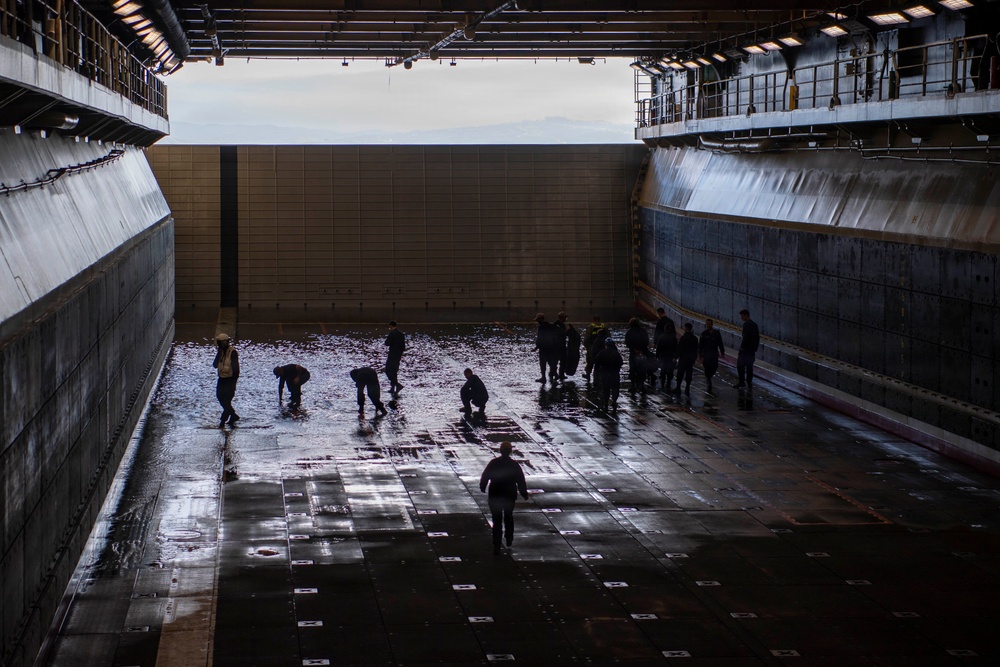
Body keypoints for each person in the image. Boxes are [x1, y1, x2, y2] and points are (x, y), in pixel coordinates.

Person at [479, 441, 528, 555]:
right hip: (509, 495)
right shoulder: (514, 465)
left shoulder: (494, 463)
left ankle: (497, 543)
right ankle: (509, 537)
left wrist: (483, 486)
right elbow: (520, 480)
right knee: (508, 517)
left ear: (500, 451)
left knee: (497, 520)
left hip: (495, 494)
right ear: (510, 451)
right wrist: (524, 493)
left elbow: (485, 475)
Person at [212, 333, 240, 427]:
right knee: (220, 397)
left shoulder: (232, 352)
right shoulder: (220, 352)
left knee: (227, 400)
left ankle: (222, 422)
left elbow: (236, 370)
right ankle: (233, 416)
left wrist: (233, 384)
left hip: (230, 380)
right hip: (221, 379)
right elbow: (215, 365)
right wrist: (219, 354)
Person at [593, 338, 624, 412]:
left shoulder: (601, 353)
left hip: (605, 374)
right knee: (615, 388)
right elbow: (620, 362)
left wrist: (596, 377)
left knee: (605, 389)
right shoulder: (616, 354)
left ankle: (606, 402)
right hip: (614, 374)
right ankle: (614, 401)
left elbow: (597, 365)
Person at [624, 317, 651, 394]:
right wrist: (641, 350)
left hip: (633, 353)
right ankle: (642, 385)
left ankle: (633, 386)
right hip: (643, 352)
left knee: (633, 369)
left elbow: (627, 342)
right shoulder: (643, 332)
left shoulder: (629, 332)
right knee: (642, 369)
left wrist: (634, 349)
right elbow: (646, 341)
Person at [698, 319, 725, 394]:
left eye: (710, 324)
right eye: (707, 324)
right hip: (706, 354)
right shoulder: (704, 334)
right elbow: (700, 345)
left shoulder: (716, 333)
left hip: (714, 353)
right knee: (706, 366)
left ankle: (709, 376)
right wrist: (700, 354)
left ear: (712, 324)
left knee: (714, 366)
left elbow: (720, 343)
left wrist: (722, 352)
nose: (708, 325)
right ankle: (708, 379)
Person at [737, 309, 760, 390]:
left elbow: (745, 337)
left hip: (745, 350)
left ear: (746, 315)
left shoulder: (746, 325)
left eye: (742, 316)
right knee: (750, 367)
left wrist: (742, 347)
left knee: (740, 365)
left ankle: (741, 382)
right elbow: (757, 337)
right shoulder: (754, 324)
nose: (741, 318)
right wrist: (755, 348)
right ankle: (749, 382)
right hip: (751, 350)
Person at [534, 313, 559, 383]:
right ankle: (556, 374)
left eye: (538, 320)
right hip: (551, 348)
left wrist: (537, 347)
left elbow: (540, 338)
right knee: (551, 362)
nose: (537, 321)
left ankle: (543, 378)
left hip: (543, 348)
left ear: (540, 319)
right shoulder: (551, 326)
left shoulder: (541, 327)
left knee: (543, 364)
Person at [674, 323, 698, 396]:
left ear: (686, 328)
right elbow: (696, 349)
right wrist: (694, 358)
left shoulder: (683, 338)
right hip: (690, 359)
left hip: (683, 358)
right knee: (689, 373)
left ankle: (678, 387)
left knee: (680, 373)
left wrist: (675, 357)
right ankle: (687, 387)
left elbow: (680, 349)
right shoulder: (695, 338)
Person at [654, 315, 677, 391]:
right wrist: (675, 357)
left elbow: (659, 347)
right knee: (670, 370)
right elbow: (676, 347)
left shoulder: (662, 336)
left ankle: (663, 383)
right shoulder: (674, 337)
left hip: (663, 356)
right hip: (671, 356)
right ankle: (668, 382)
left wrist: (657, 356)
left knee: (663, 369)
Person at [582, 315, 606, 380]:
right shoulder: (604, 327)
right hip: (602, 347)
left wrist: (587, 347)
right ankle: (600, 376)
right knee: (601, 362)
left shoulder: (590, 327)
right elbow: (608, 337)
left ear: (593, 320)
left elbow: (587, 338)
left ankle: (588, 375)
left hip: (592, 347)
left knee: (590, 362)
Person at [384, 320, 406, 393]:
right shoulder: (401, 334)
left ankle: (397, 385)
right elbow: (403, 346)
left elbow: (387, 343)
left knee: (388, 370)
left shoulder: (392, 333)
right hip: (398, 355)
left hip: (392, 354)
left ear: (390, 326)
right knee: (394, 371)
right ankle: (393, 388)